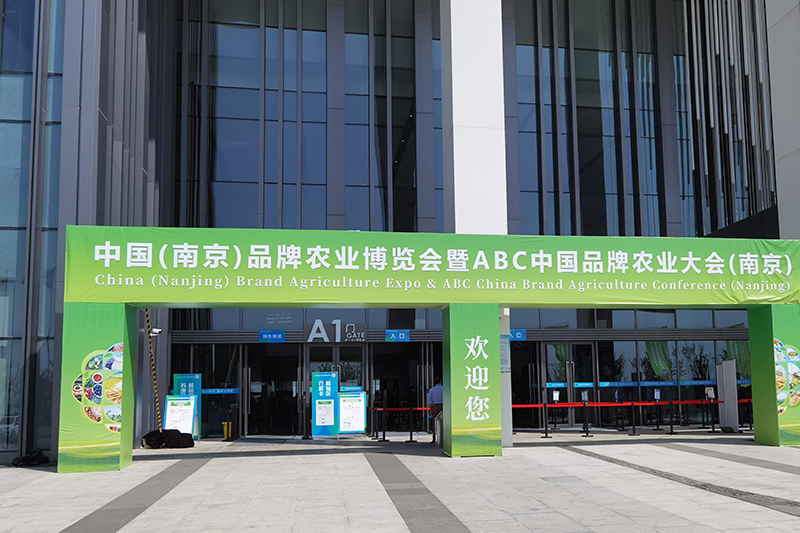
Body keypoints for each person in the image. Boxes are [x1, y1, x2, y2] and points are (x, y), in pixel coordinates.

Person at [428, 377, 443, 444]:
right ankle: (443, 437)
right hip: (443, 406)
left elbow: (430, 401)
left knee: (435, 422)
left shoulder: (432, 390)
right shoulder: (444, 388)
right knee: (444, 422)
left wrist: (431, 409)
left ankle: (434, 438)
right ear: (441, 381)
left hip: (435, 406)